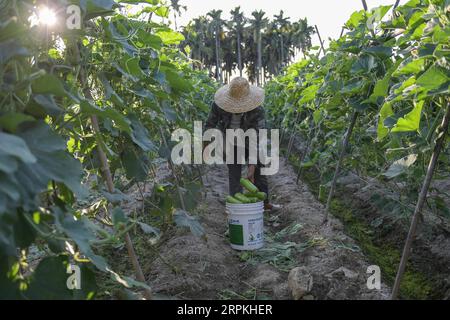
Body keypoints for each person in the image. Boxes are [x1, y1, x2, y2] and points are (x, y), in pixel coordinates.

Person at [205, 77, 278, 211]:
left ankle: (265, 203)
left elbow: (258, 136)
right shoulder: (218, 105)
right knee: (234, 173)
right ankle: (237, 206)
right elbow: (210, 125)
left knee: (259, 170)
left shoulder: (257, 110)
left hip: (251, 140)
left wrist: (252, 164)